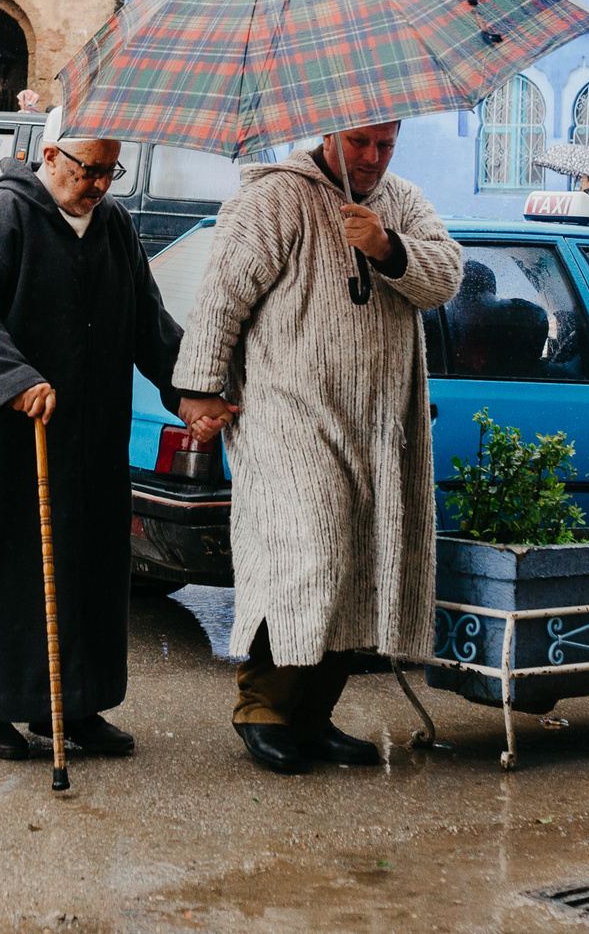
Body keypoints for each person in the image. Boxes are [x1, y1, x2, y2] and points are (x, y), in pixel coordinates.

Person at [172, 120, 461, 775]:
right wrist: (197, 388)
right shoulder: (275, 198)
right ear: (330, 130)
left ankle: (312, 714)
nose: (372, 157)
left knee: (360, 557)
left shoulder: (404, 201)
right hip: (290, 416)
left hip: (378, 422)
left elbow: (445, 277)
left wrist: (388, 247)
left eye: (385, 145)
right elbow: (222, 295)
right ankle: (263, 709)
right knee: (306, 552)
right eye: (360, 142)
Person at [0, 133, 184, 763]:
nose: (97, 184)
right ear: (49, 157)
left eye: (108, 172)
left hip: (90, 435)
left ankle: (72, 703)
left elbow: (148, 323)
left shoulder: (115, 227)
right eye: (86, 170)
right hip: (7, 433)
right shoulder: (2, 215)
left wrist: (195, 389)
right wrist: (15, 380)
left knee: (87, 564)